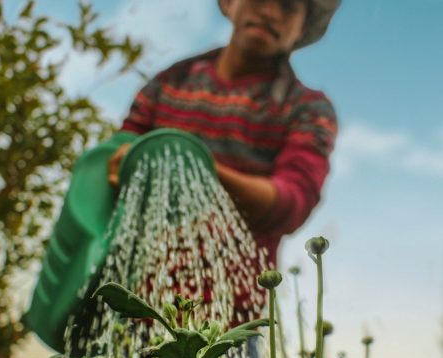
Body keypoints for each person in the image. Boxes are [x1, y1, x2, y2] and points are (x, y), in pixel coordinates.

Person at [108, 0, 340, 273]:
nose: (269, 11)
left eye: (288, 6)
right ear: (230, 3)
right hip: (132, 275)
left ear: (303, 27)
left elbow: (291, 203)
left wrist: (196, 167)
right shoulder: (170, 82)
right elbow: (119, 150)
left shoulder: (306, 109)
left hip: (232, 297)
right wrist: (120, 161)